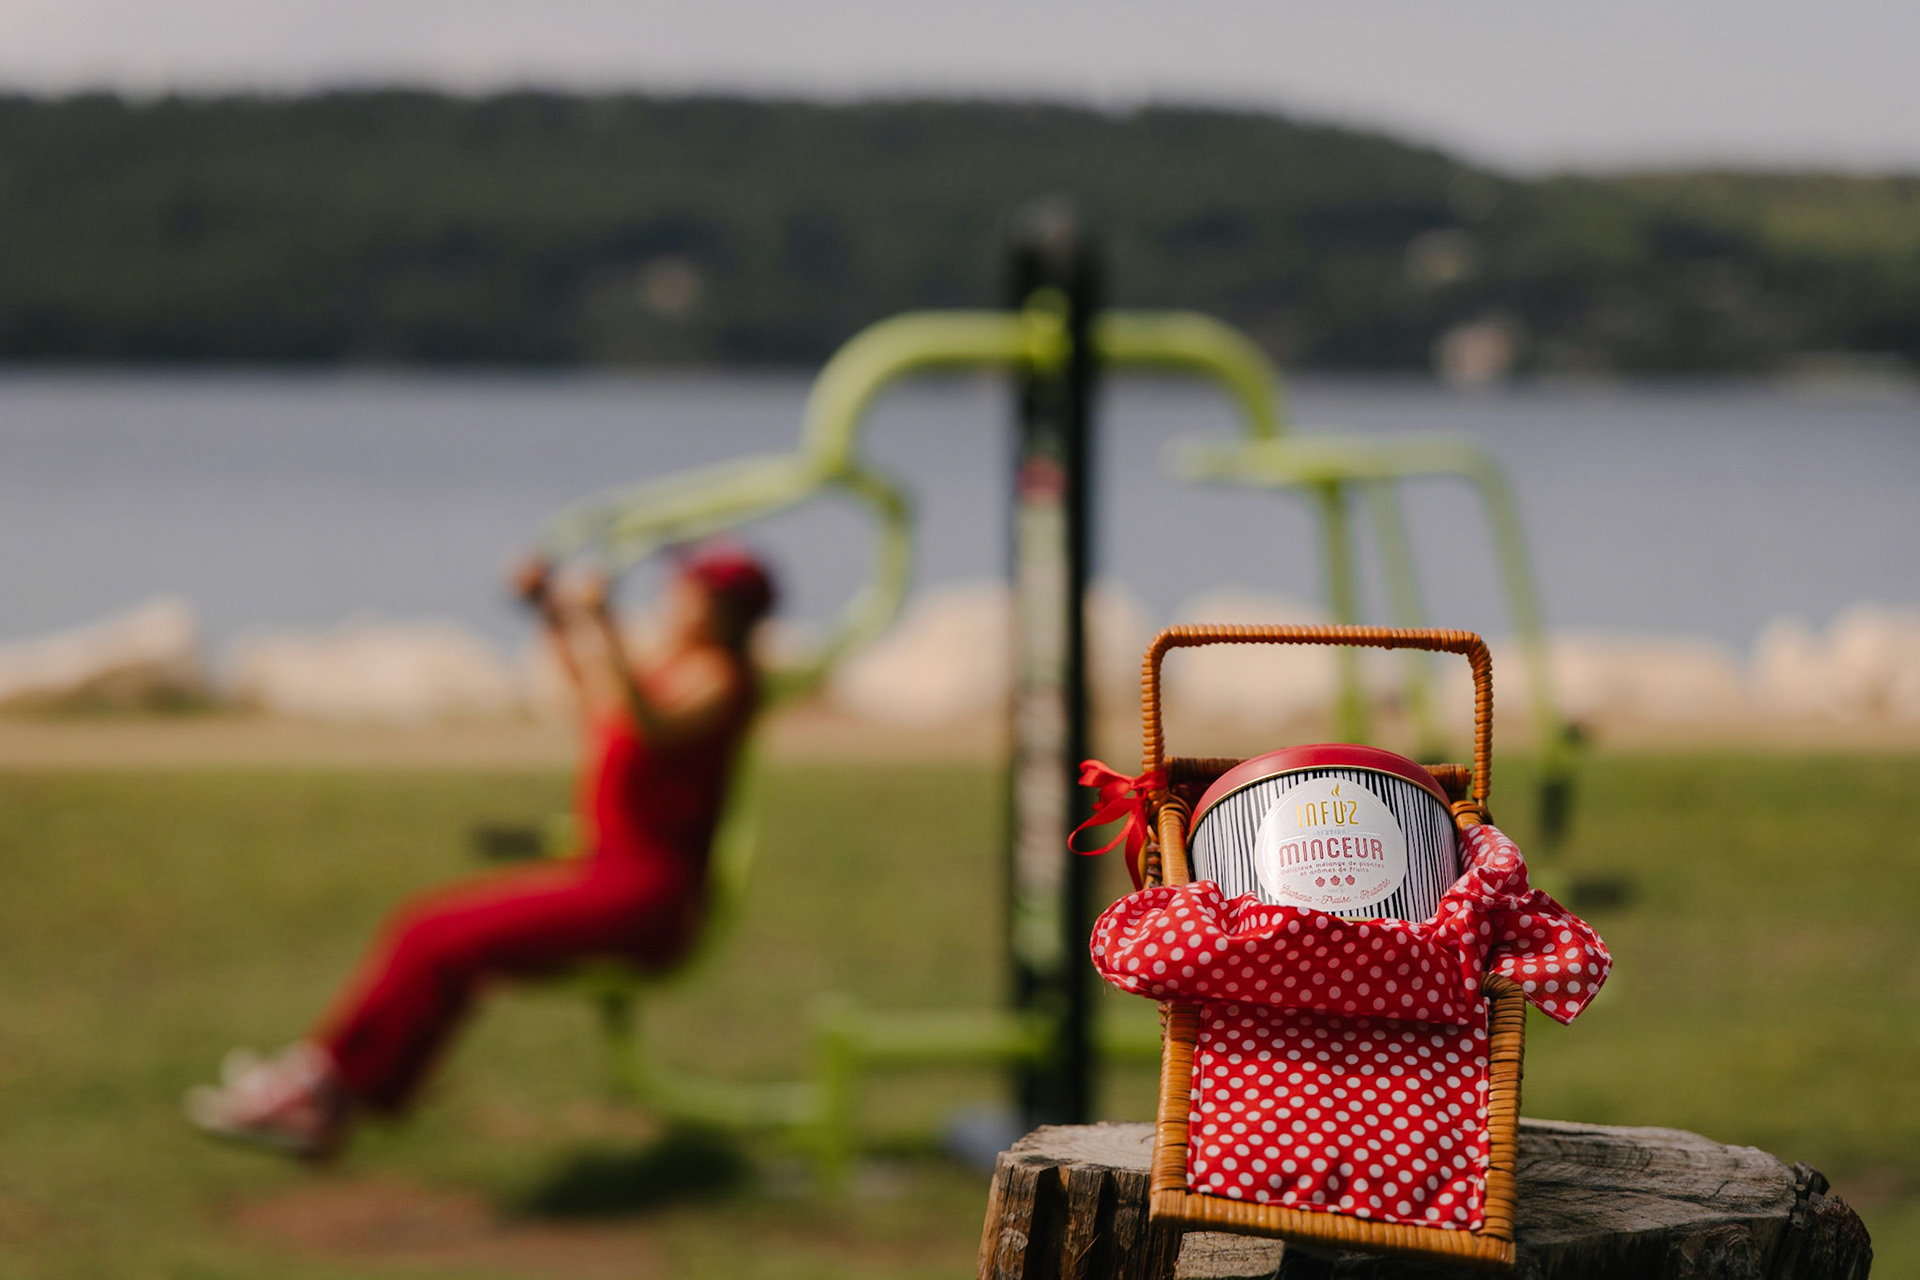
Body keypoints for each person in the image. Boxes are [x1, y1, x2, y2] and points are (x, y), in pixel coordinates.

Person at [185, 543, 775, 1159]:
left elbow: (649, 723)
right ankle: (325, 1087)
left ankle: (322, 1092)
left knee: (436, 935)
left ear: (723, 609)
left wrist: (602, 622)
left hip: (646, 896)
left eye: (688, 589)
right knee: (431, 932)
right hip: (608, 878)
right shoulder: (671, 668)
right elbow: (591, 690)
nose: (673, 596)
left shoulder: (721, 678)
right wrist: (552, 609)